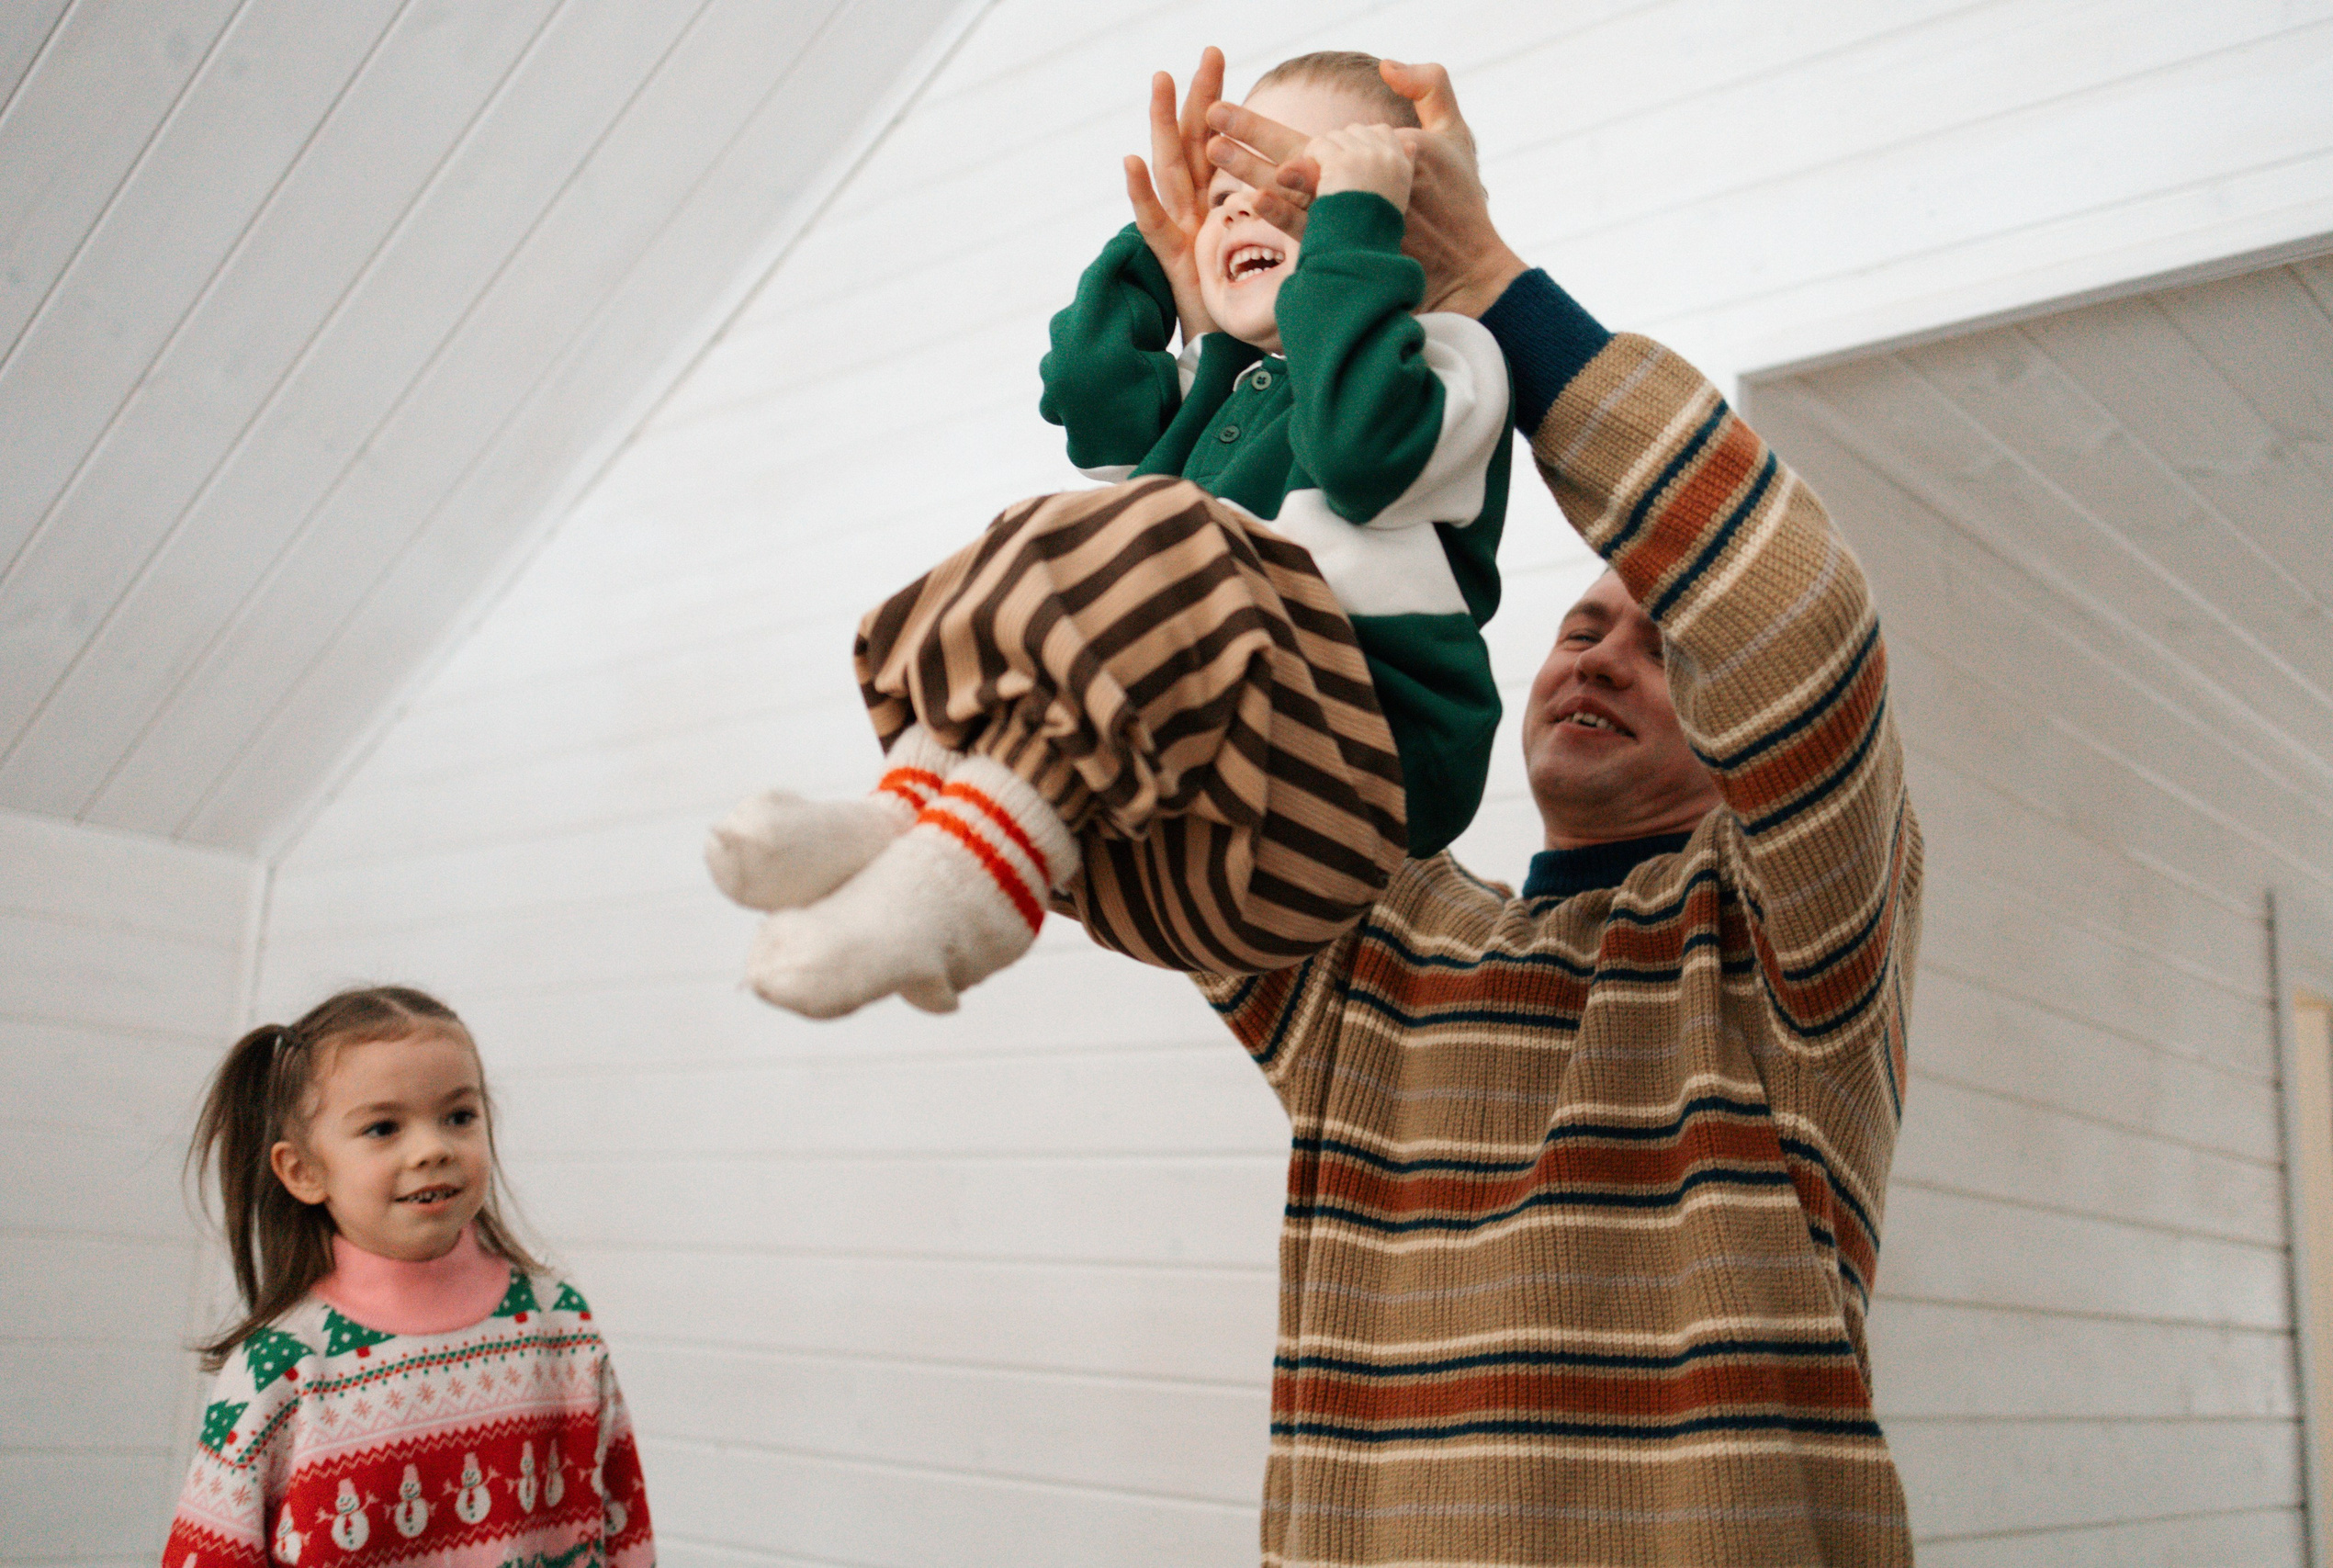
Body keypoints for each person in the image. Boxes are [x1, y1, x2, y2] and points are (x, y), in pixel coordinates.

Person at [1174, 59, 1924, 1567]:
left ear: (1743, 735)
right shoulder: (1375, 956)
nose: (1598, 640)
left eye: (1660, 630)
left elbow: (1790, 610)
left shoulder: (1787, 965)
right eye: (1582, 623)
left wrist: (1480, 278)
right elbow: (1184, 758)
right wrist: (1244, 359)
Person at [705, 49, 1512, 1020]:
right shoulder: (1213, 385)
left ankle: (964, 893)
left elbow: (1356, 447)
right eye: (1223, 194)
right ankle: (909, 810)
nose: (1238, 213)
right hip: (1168, 832)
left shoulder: (1446, 361)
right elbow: (1083, 388)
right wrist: (1165, 263)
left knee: (1161, 532)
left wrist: (1360, 228)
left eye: (1297, 192)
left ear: (1391, 231)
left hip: (1334, 799)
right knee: (1038, 533)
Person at [165, 987, 653, 1568]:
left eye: (458, 1117)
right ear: (303, 1171)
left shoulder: (560, 1323)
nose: (433, 1148)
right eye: (383, 1128)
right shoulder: (283, 1367)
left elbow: (625, 1523)